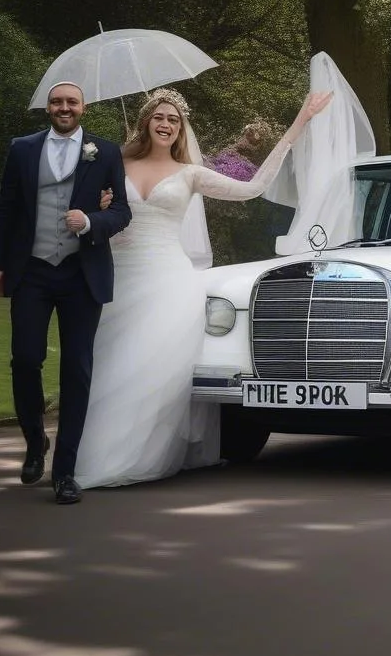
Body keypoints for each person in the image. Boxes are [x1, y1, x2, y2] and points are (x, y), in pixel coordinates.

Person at [73, 85, 332, 489]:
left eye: (174, 120)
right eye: (159, 117)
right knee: (104, 366)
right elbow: (86, 210)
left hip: (167, 281)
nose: (166, 124)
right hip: (115, 275)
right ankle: (85, 453)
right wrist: (99, 206)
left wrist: (299, 123)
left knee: (143, 366)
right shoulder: (112, 161)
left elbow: (253, 188)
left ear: (181, 129)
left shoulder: (190, 174)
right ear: (145, 122)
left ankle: (128, 457)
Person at [0, 82, 132, 505]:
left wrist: (89, 222)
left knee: (77, 369)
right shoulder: (22, 148)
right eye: (57, 101)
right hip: (31, 270)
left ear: (83, 108)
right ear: (47, 108)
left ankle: (65, 471)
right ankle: (35, 440)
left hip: (81, 274)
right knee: (26, 358)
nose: (64, 107)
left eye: (71, 101)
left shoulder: (104, 152)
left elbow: (121, 210)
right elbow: (6, 208)